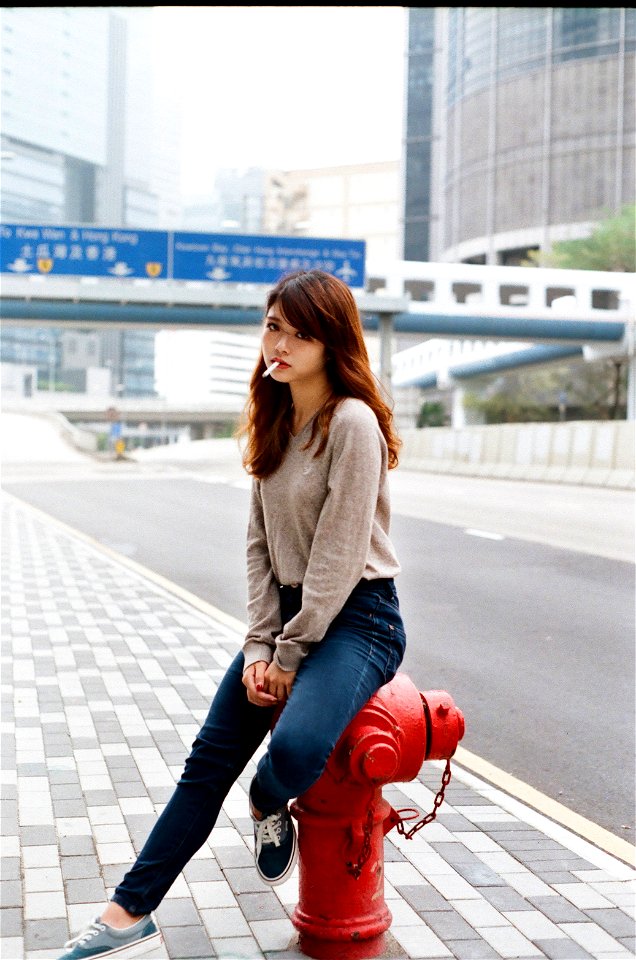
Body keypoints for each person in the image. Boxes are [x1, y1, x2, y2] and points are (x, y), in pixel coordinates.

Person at [58, 269, 407, 959]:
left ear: (331, 343)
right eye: (274, 325)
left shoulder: (354, 422)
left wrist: (288, 655)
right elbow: (259, 547)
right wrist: (257, 648)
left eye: (300, 333)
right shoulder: (274, 415)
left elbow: (337, 561)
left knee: (298, 749)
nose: (279, 344)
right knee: (205, 762)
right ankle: (128, 910)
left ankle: (266, 800)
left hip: (360, 618)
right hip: (284, 617)